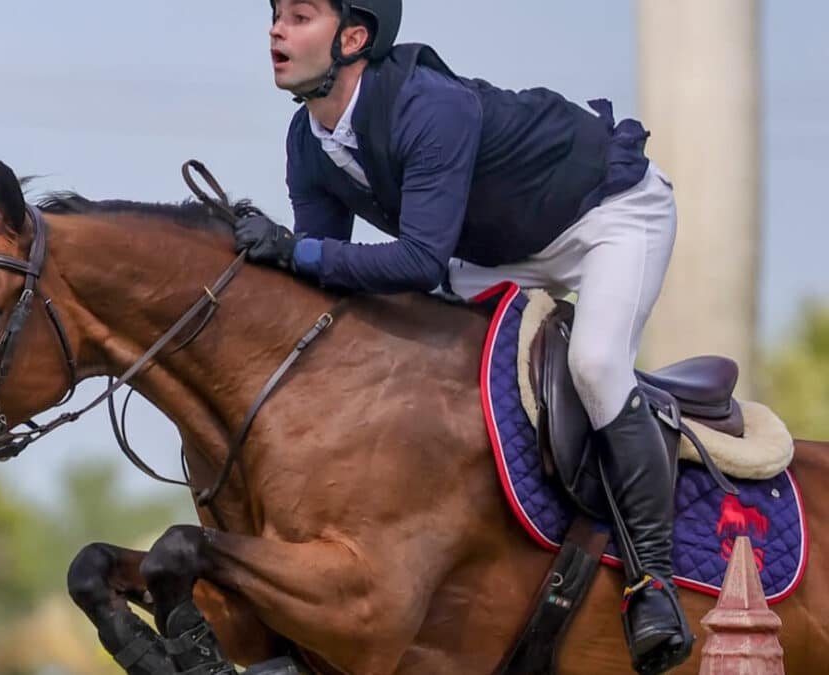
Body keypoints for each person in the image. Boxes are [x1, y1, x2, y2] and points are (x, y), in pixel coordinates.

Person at [233, 1, 692, 672]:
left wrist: (293, 251)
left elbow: (414, 260)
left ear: (354, 38)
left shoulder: (429, 107)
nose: (276, 30)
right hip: (500, 251)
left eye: (299, 16)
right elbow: (326, 271)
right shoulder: (308, 141)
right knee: (415, 343)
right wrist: (262, 260)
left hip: (610, 214)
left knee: (595, 363)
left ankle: (655, 583)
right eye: (276, 16)